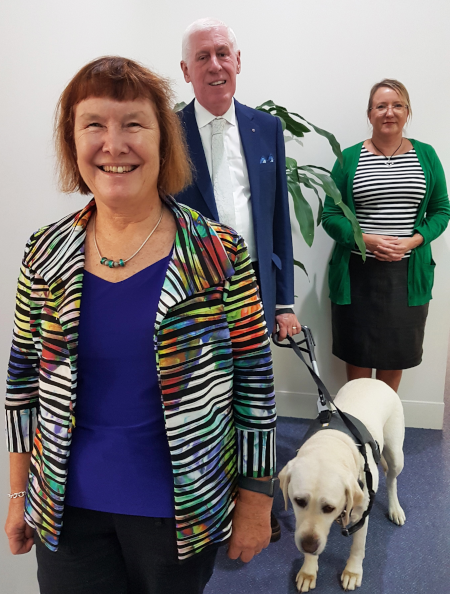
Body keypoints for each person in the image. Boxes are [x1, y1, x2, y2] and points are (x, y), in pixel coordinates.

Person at [4, 56, 278, 594]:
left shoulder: (218, 253)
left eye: (133, 124)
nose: (114, 143)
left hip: (179, 513)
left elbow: (256, 387)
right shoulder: (44, 252)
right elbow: (21, 387)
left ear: (163, 140)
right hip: (66, 511)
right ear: (72, 141)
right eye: (94, 125)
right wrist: (17, 496)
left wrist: (256, 498)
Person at [176, 18, 301, 342]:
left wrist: (284, 302)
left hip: (255, 281)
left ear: (238, 61)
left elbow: (278, 218)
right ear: (186, 70)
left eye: (222, 53)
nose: (215, 65)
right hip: (191, 287)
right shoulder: (168, 134)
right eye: (202, 57)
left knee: (254, 380)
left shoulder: (267, 126)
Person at [322, 79, 450, 393]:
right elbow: (330, 215)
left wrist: (414, 240)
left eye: (397, 105)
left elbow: (441, 210)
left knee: (396, 355)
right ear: (370, 114)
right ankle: (362, 429)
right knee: (358, 351)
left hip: (407, 276)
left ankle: (382, 423)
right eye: (381, 106)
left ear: (407, 112)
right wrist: (363, 239)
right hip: (357, 273)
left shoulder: (427, 155)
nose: (389, 112)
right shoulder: (348, 159)